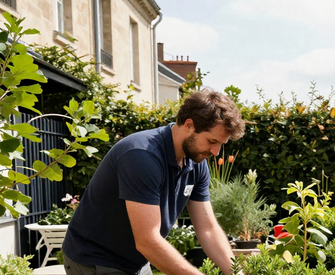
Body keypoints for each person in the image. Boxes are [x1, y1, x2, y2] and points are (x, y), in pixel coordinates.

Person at [62, 90, 246, 275]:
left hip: (138, 260)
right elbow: (147, 241)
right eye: (211, 141)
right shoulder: (142, 155)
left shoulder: (195, 162)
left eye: (221, 144)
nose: (215, 152)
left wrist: (237, 273)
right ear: (189, 125)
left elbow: (208, 229)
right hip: (95, 260)